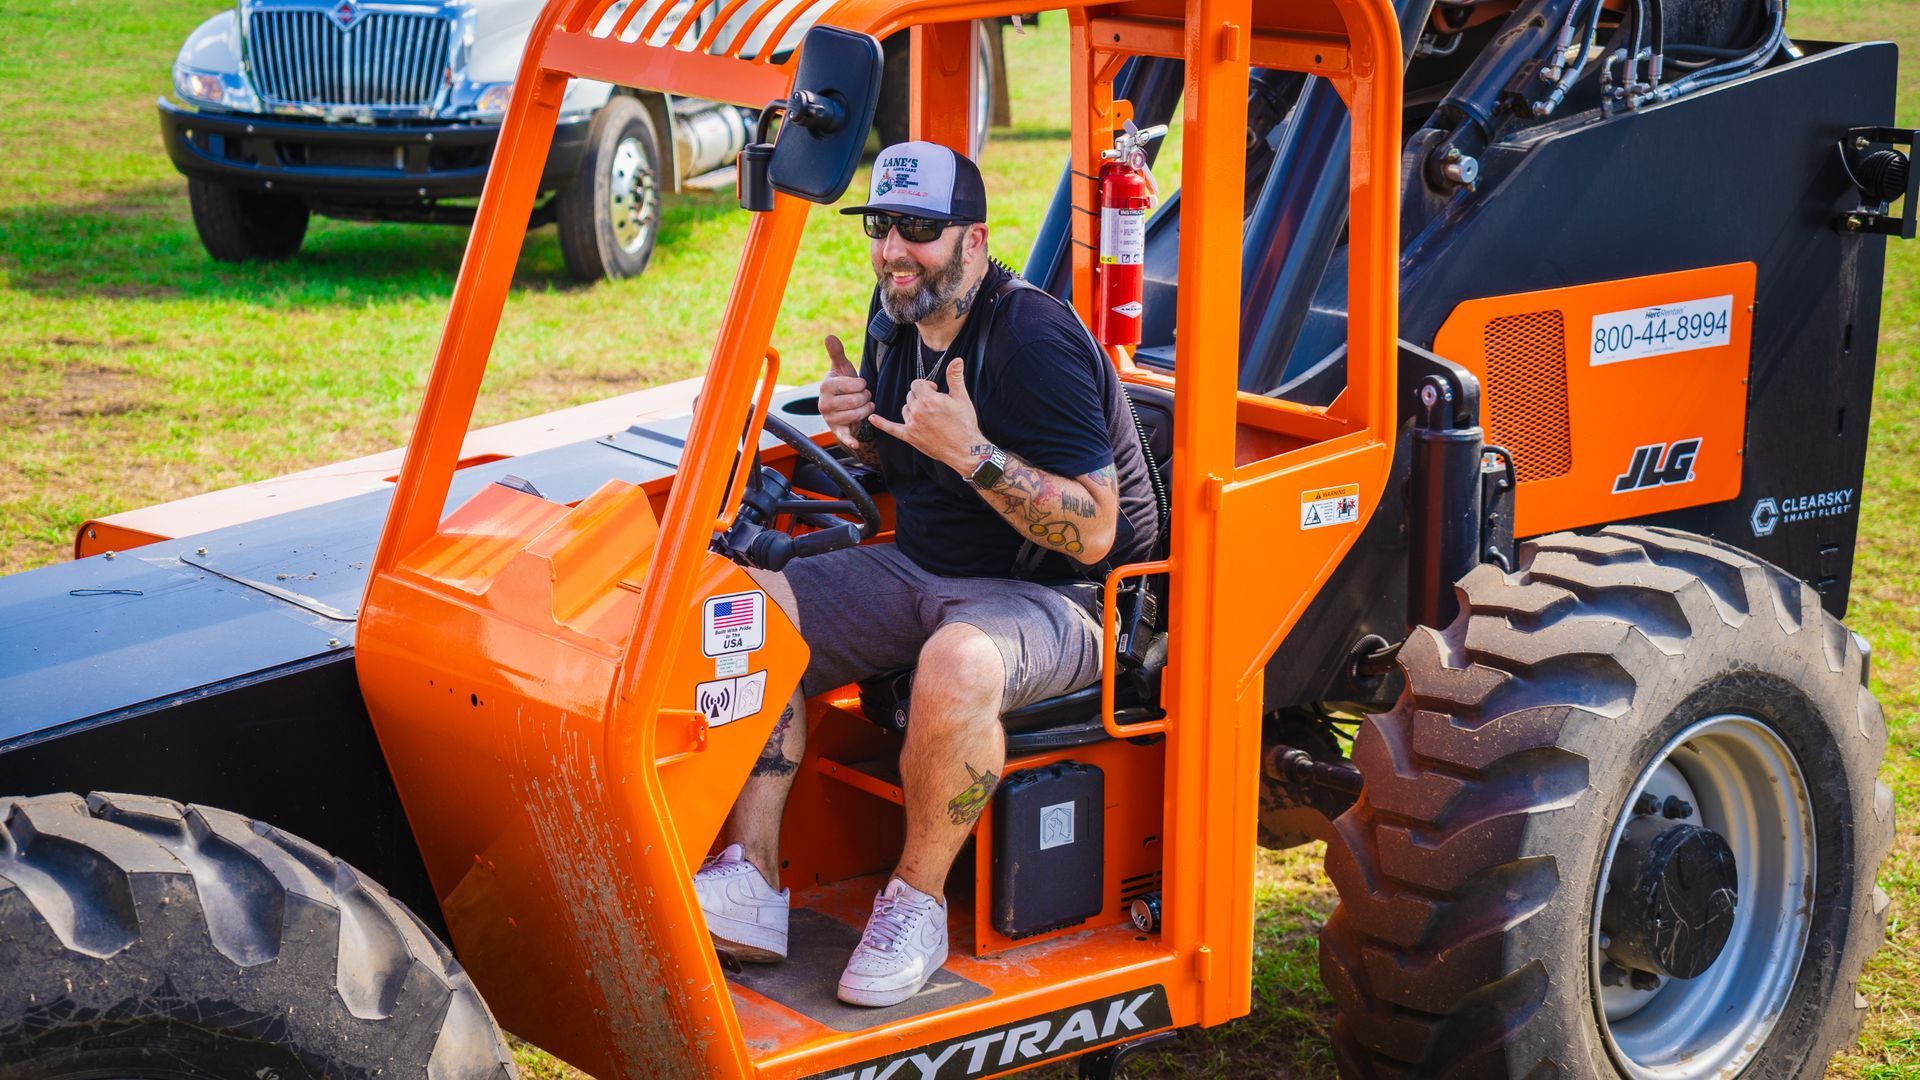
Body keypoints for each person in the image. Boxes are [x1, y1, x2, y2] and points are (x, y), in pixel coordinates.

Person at [692, 141, 1161, 1007]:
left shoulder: (1033, 340)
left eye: (920, 229)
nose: (894, 250)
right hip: (923, 568)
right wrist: (860, 429)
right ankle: (750, 879)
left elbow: (1096, 533)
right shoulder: (896, 316)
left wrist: (976, 455)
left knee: (957, 662)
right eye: (880, 226)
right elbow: (911, 468)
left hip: (1058, 599)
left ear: (974, 242)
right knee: (742, 607)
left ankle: (914, 903)